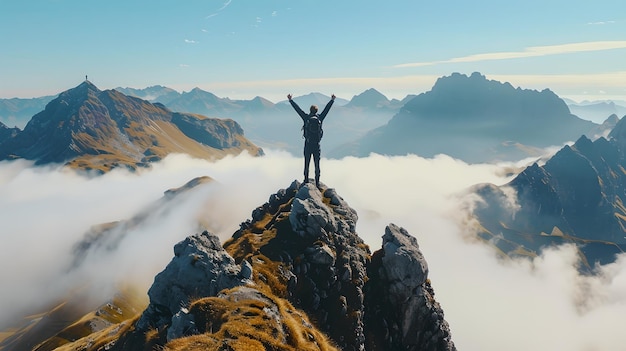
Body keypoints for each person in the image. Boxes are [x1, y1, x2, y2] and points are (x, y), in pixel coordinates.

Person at [288, 93, 336, 187]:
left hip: (308, 144)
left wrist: (291, 100)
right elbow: (327, 109)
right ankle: (317, 183)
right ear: (317, 111)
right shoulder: (320, 118)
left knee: (307, 163)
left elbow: (298, 110)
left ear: (310, 110)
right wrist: (332, 100)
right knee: (317, 164)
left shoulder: (306, 118)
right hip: (317, 145)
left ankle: (306, 180)